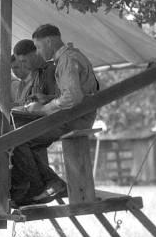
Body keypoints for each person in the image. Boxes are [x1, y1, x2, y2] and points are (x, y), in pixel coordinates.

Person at [10, 24, 100, 206]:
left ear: (49, 41)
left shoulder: (66, 59)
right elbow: (76, 94)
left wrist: (43, 109)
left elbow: (72, 97)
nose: (39, 52)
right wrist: (48, 98)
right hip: (73, 115)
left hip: (75, 119)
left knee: (18, 139)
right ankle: (51, 183)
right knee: (24, 139)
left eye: (39, 47)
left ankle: (38, 188)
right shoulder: (69, 57)